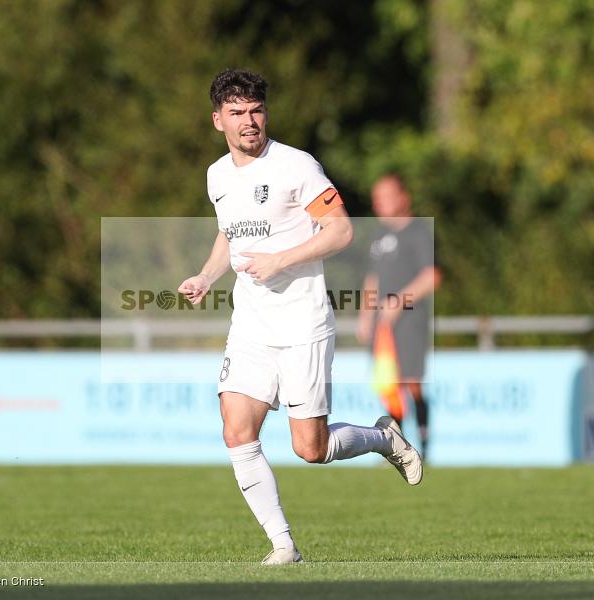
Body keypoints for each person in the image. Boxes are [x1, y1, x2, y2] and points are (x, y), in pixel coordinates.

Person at [178, 69, 422, 566]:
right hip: (250, 326)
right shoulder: (217, 176)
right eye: (238, 113)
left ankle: (383, 438)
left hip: (302, 322)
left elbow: (342, 232)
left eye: (257, 111)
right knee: (236, 429)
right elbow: (231, 233)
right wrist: (206, 276)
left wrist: (280, 260)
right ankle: (283, 545)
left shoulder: (296, 166)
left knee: (310, 449)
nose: (250, 121)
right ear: (217, 120)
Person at [357, 174, 441, 458]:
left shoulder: (419, 232)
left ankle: (425, 447)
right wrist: (366, 314)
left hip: (410, 320)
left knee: (411, 382)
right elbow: (372, 278)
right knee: (387, 384)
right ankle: (399, 449)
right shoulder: (379, 235)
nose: (379, 203)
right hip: (383, 326)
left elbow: (432, 276)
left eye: (387, 196)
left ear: (404, 197)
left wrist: (399, 301)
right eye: (376, 197)